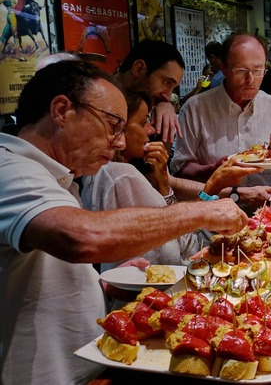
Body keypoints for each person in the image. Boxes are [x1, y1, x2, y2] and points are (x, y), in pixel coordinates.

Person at [0, 60, 247, 384]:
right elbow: (81, 237)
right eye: (112, 125)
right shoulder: (9, 167)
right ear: (61, 110)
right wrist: (203, 212)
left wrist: (92, 285)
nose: (118, 142)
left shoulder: (57, 176)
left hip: (89, 362)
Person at [82, 90, 262, 272]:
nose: (152, 130)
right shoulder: (121, 175)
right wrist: (214, 185)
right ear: (119, 129)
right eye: (144, 122)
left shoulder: (132, 171)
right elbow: (178, 249)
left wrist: (163, 184)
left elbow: (178, 231)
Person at [172, 33, 271, 190]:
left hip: (265, 208)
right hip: (215, 208)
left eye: (258, 71)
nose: (251, 80)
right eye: (241, 71)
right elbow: (180, 169)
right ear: (224, 69)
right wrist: (213, 170)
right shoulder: (196, 108)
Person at [115, 40, 185, 143]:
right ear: (139, 69)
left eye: (173, 88)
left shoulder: (147, 104)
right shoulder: (94, 100)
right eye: (166, 82)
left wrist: (166, 108)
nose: (168, 97)